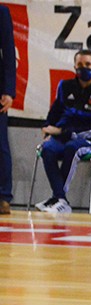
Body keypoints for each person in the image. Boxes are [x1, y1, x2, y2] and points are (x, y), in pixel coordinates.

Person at [34, 50, 91, 215]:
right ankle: (61, 199)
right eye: (80, 65)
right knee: (47, 149)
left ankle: (58, 198)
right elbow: (54, 112)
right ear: (74, 67)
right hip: (62, 135)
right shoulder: (65, 86)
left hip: (88, 141)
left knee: (72, 147)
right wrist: (47, 127)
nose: (84, 68)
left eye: (88, 65)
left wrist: (63, 132)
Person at [0, 5, 14, 215]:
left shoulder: (1, 12)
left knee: (0, 144)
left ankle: (3, 196)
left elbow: (9, 52)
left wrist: (9, 91)